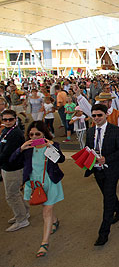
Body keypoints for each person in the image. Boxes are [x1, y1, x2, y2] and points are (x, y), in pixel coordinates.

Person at [11, 121, 65, 257]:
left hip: (50, 181)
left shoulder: (51, 145)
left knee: (46, 211)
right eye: (31, 134)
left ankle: (44, 243)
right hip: (34, 184)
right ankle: (55, 220)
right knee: (45, 207)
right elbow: (12, 161)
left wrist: (52, 146)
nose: (34, 137)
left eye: (37, 134)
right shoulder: (27, 148)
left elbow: (61, 159)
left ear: (44, 134)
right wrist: (21, 149)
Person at [84, 104, 119, 246]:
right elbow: (88, 149)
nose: (96, 118)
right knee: (107, 194)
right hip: (96, 170)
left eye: (99, 115)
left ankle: (103, 233)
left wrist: (106, 159)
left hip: (111, 169)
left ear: (106, 115)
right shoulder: (90, 132)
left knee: (107, 200)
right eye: (94, 115)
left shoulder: (116, 131)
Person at [0, 110, 29, 232]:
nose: (7, 122)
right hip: (7, 167)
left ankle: (21, 219)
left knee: (11, 195)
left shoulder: (15, 133)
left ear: (15, 119)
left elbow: (7, 153)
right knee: (15, 193)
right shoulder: (6, 131)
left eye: (10, 119)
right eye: (5, 119)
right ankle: (24, 212)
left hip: (13, 168)